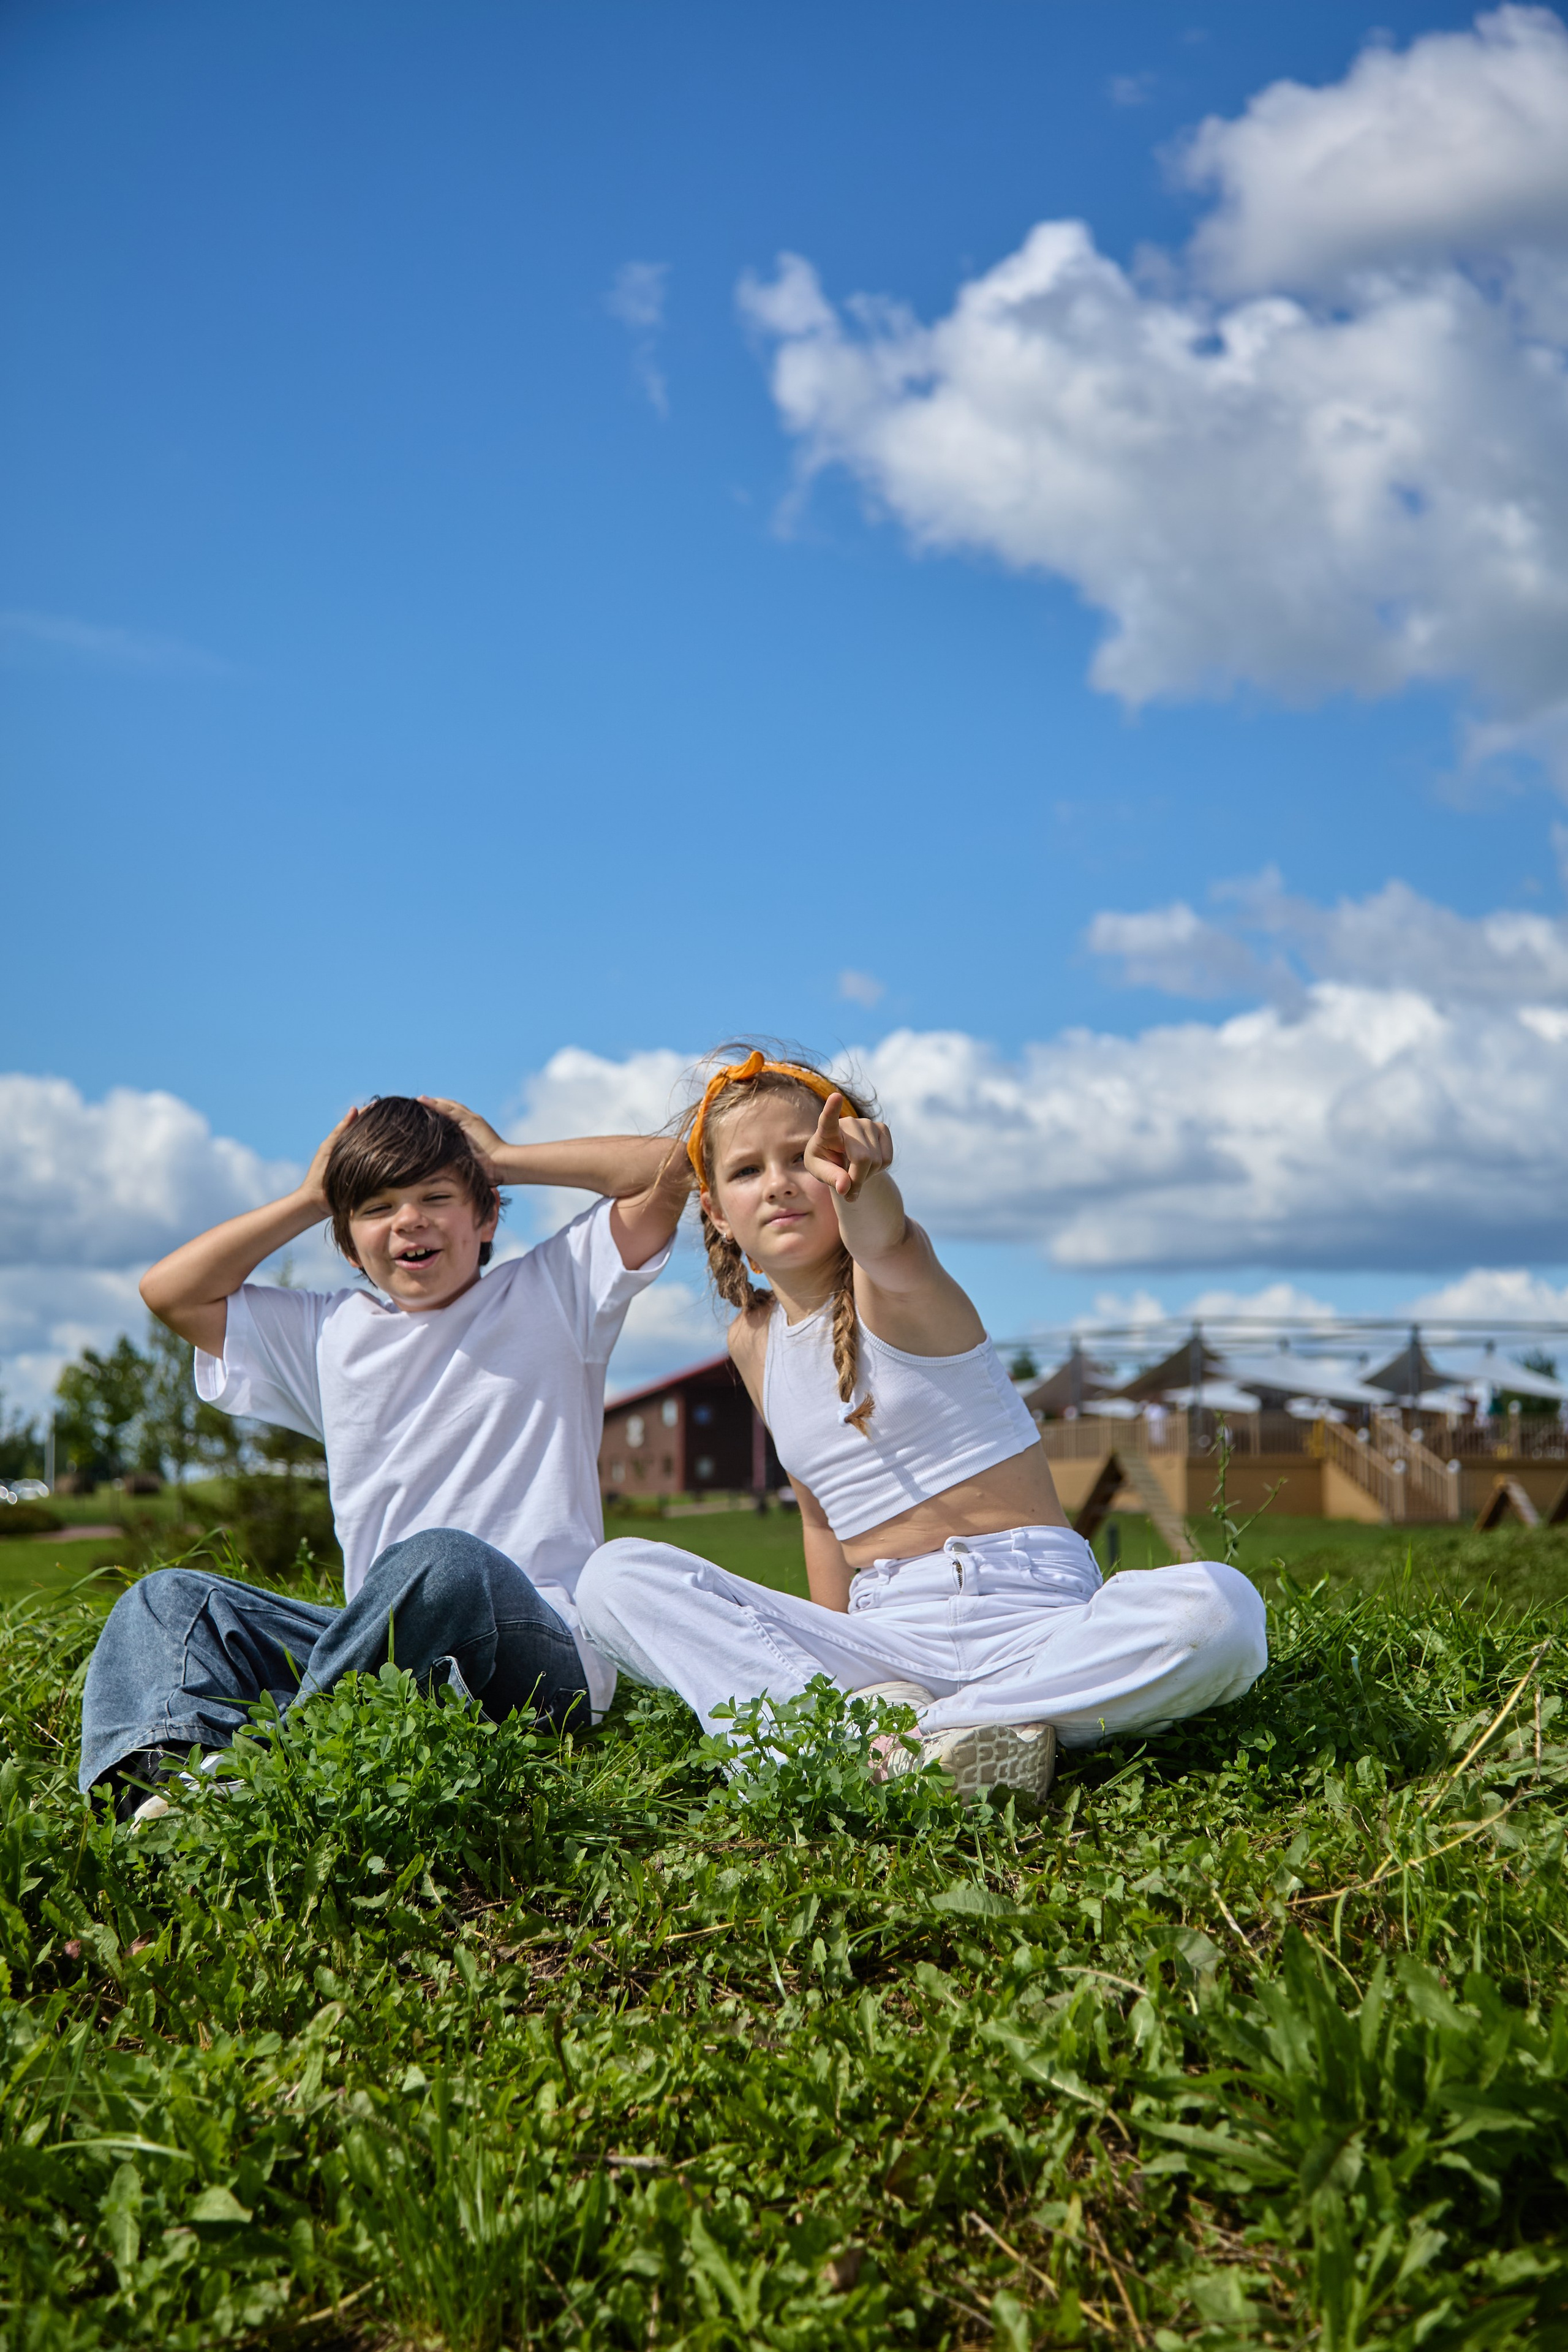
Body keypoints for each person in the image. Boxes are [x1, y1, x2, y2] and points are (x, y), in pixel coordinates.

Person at [575, 1050, 1267, 1801]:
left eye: (804, 1159)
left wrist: (864, 1185)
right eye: (745, 1172)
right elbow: (818, 1518)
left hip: (1032, 1614)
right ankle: (909, 1730)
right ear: (714, 1211)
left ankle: (885, 1742)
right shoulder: (753, 1342)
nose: (777, 1183)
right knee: (614, 1579)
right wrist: (824, 1658)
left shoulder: (894, 1285)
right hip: (886, 1638)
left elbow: (883, 1237)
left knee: (1221, 1611)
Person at [81, 1093, 687, 1819]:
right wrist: (313, 1196)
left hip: (540, 1652)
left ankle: (283, 1769)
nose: (410, 1220)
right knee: (171, 1598)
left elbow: (675, 1165)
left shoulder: (556, 1291)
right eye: (376, 1208)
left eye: (437, 1196)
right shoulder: (328, 1332)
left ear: (486, 1215)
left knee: (445, 1560)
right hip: (383, 1656)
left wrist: (502, 1158)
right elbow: (171, 1292)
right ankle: (167, 1786)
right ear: (346, 1241)